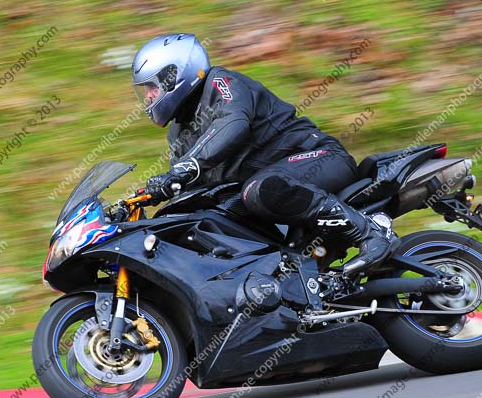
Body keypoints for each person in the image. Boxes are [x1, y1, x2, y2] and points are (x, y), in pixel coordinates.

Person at [132, 33, 397, 275]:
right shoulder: (178, 132)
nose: (148, 98)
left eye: (152, 87)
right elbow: (188, 188)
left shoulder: (221, 83)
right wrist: (152, 206)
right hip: (273, 190)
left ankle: (371, 233)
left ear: (175, 74)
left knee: (260, 189)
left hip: (321, 157)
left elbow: (233, 123)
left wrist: (185, 168)